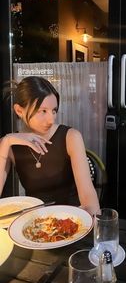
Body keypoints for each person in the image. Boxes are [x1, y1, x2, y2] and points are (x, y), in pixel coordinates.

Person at [0, 76, 100, 216]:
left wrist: (97, 228)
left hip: (71, 220)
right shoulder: (11, 145)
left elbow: (88, 194)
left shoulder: (71, 137)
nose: (51, 119)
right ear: (19, 111)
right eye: (43, 111)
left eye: (54, 110)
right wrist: (6, 142)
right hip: (34, 224)